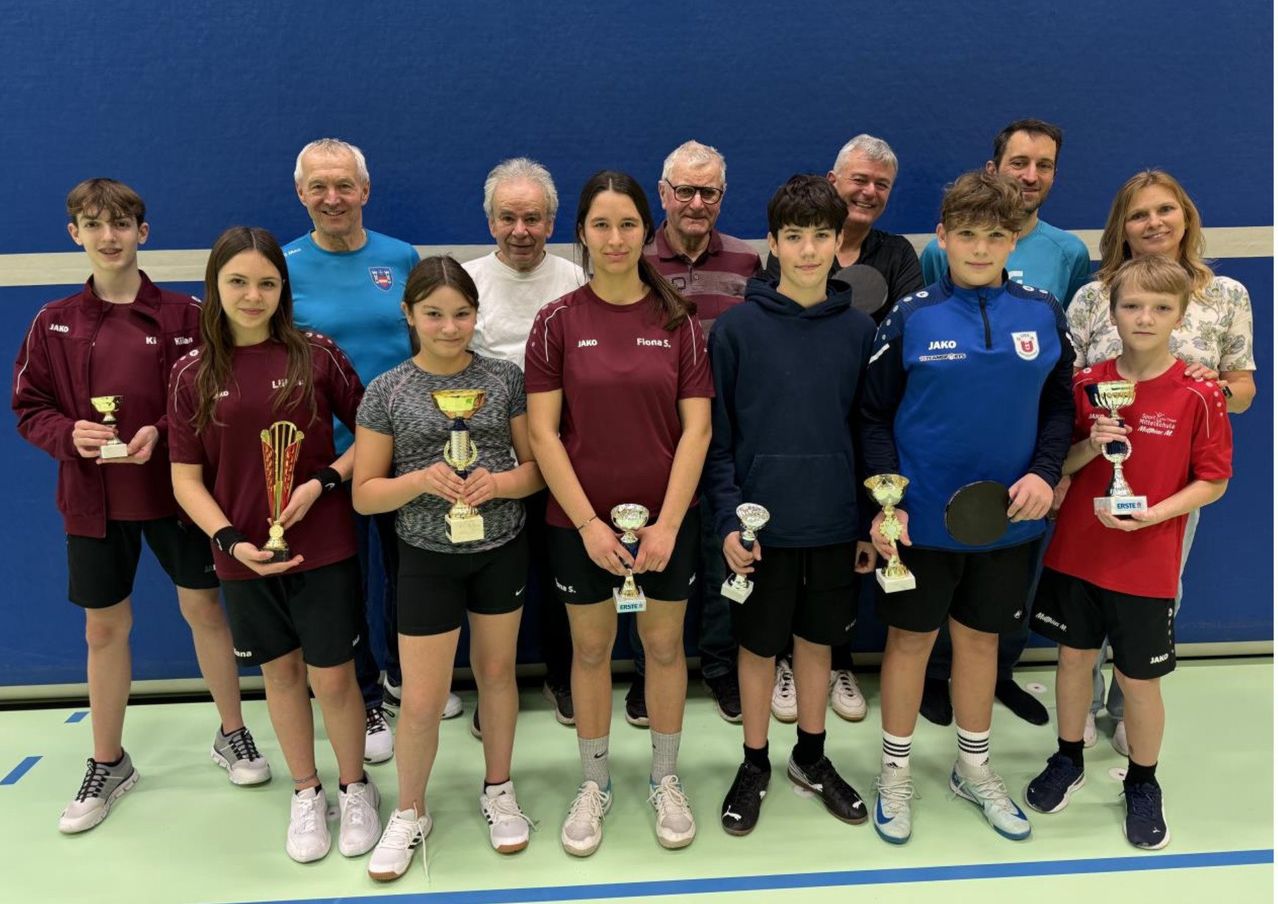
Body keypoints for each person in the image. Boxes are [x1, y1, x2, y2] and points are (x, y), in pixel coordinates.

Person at [12, 179, 267, 835]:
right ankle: (108, 760)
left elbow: (214, 396)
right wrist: (69, 433)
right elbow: (29, 408)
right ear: (75, 234)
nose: (108, 236)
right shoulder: (54, 321)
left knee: (205, 610)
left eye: (121, 223)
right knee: (103, 629)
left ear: (142, 233)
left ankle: (232, 733)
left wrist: (163, 429)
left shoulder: (186, 316)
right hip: (92, 502)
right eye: (93, 224)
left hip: (179, 497)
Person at [861, 171, 1074, 845]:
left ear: (1013, 241)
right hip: (918, 522)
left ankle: (973, 768)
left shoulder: (1042, 312)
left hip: (1009, 519)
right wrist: (884, 497)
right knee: (910, 641)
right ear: (944, 238)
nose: (980, 250)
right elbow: (871, 415)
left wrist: (1045, 472)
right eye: (968, 236)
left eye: (995, 236)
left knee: (982, 642)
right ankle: (894, 772)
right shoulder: (913, 314)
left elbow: (1062, 405)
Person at [169, 226, 379, 864]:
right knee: (281, 676)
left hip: (325, 547)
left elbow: (374, 434)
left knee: (335, 677)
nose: (252, 294)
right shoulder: (192, 373)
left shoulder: (316, 354)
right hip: (242, 560)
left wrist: (323, 481)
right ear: (216, 287)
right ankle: (307, 790)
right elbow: (184, 479)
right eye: (238, 281)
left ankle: (355, 785)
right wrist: (229, 541)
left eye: (266, 282)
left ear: (282, 290)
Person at [525, 171, 712, 856]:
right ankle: (595, 784)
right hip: (580, 528)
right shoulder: (556, 322)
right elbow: (544, 434)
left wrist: (666, 523)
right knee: (592, 651)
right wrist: (588, 526)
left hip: (667, 528)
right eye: (600, 225)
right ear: (583, 233)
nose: (614, 238)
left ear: (646, 231)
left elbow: (697, 431)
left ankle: (665, 779)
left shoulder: (679, 323)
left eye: (627, 224)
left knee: (663, 648)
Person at [1025, 255, 1232, 849]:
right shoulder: (1087, 387)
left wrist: (1155, 514)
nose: (1145, 318)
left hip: (1148, 563)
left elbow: (1213, 480)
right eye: (1132, 306)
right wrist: (1092, 446)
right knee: (1072, 661)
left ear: (1180, 313)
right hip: (1077, 555)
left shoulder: (1200, 393)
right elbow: (1055, 468)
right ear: (1112, 311)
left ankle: (1143, 782)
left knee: (1139, 683)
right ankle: (1068, 758)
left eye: (1161, 308)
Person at [354, 257, 542, 879]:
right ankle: (410, 811)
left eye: (461, 313)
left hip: (500, 551)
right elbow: (364, 494)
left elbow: (535, 470)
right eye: (433, 314)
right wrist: (417, 482)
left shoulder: (505, 379)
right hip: (426, 560)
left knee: (496, 676)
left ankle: (499, 789)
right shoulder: (385, 391)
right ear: (408, 315)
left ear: (476, 315)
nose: (449, 326)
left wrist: (499, 484)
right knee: (423, 699)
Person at [707, 174, 876, 836]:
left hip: (833, 523)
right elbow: (717, 442)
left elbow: (869, 433)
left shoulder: (860, 331)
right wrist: (727, 519)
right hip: (759, 531)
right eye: (794, 237)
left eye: (821, 237)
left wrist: (868, 520)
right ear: (773, 243)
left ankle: (811, 756)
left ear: (840, 243)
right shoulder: (737, 331)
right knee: (755, 646)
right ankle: (754, 763)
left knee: (818, 643)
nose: (808, 251)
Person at [1065, 170, 1256, 752]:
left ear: (1186, 217)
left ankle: (1128, 702)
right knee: (1085, 590)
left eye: (1165, 210)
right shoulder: (1094, 296)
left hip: (1173, 480)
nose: (1154, 223)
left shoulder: (1225, 295)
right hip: (1096, 465)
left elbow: (1244, 390)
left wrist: (1206, 388)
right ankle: (1082, 704)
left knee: (1155, 589)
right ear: (1121, 227)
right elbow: (1070, 380)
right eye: (1139, 214)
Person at [285, 138, 458, 765]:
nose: (333, 198)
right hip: (327, 461)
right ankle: (365, 699)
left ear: (366, 190)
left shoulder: (401, 257)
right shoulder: (284, 266)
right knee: (345, 582)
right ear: (301, 194)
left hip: (407, 454)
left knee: (410, 575)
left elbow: (427, 346)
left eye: (345, 185)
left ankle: (405, 678)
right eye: (319, 187)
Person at [917, 119, 1092, 728]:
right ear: (995, 167)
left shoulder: (1067, 253)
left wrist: (1053, 464)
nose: (1031, 175)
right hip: (949, 454)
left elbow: (1058, 369)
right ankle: (940, 679)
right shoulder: (939, 256)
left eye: (1044, 165)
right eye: (1020, 162)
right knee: (947, 576)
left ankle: (1001, 678)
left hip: (1024, 461)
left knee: (1005, 586)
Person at [765, 134, 924, 726]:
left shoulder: (896, 253)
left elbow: (901, 331)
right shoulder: (787, 255)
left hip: (869, 419)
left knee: (856, 543)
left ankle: (840, 660)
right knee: (790, 551)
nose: (869, 191)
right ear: (834, 182)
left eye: (881, 184)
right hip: (797, 424)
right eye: (859, 178)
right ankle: (788, 658)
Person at [626, 139, 762, 728]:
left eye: (709, 192)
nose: (696, 202)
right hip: (655, 432)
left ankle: (718, 665)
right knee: (648, 550)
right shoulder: (632, 258)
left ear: (723, 197)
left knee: (722, 550)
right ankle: (645, 671)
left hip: (725, 430)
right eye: (685, 190)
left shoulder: (746, 262)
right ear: (664, 194)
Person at [463, 157, 585, 734]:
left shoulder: (576, 281)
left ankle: (563, 676)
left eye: (533, 218)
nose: (520, 230)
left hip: (560, 460)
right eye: (508, 217)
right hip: (483, 467)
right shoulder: (464, 282)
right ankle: (495, 688)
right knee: (493, 589)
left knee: (566, 578)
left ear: (552, 221)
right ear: (490, 222)